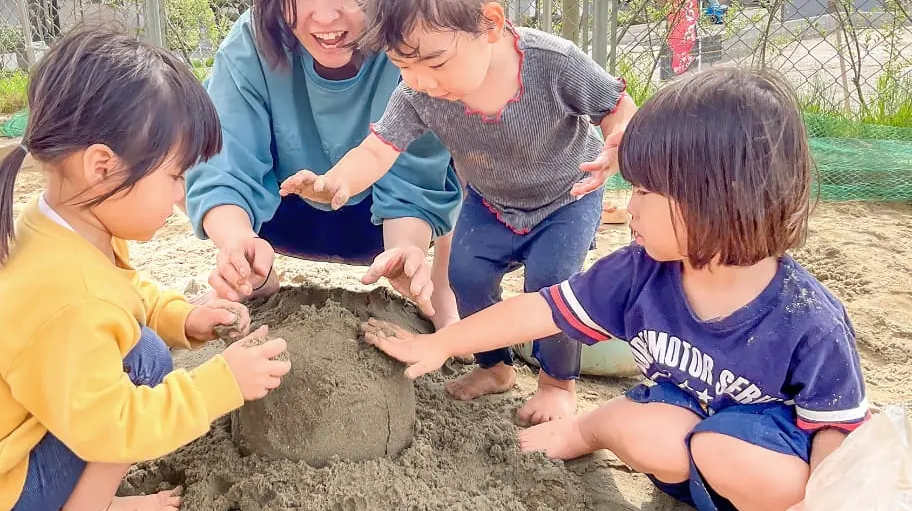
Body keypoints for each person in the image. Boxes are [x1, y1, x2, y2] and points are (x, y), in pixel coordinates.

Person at [361, 67, 869, 511]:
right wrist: (442, 342)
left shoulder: (808, 318)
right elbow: (540, 310)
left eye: (646, 192)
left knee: (725, 450)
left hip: (762, 472)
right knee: (654, 433)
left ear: (720, 201)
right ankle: (585, 430)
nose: (630, 208)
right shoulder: (641, 271)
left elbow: (836, 430)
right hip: (679, 457)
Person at [280, 0, 637, 425]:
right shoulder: (421, 90)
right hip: (490, 203)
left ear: (489, 25)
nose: (421, 81)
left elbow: (616, 105)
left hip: (565, 198)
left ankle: (557, 382)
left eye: (434, 62)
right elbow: (379, 148)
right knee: (465, 277)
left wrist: (618, 140)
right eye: (404, 66)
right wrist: (334, 183)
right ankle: (495, 367)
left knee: (553, 283)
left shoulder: (551, 64)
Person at [0, 26, 291, 511]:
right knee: (146, 369)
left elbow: (120, 290)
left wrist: (182, 317)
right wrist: (221, 384)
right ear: (102, 166)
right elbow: (116, 425)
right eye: (174, 176)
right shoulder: (67, 296)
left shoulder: (57, 226)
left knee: (145, 350)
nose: (180, 195)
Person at [182, 0, 464, 329]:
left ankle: (445, 286)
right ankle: (257, 272)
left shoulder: (410, 44)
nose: (326, 14)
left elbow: (418, 177)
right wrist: (237, 244)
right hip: (280, 218)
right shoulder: (250, 44)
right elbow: (224, 164)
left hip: (382, 226)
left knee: (472, 131)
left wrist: (406, 250)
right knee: (183, 154)